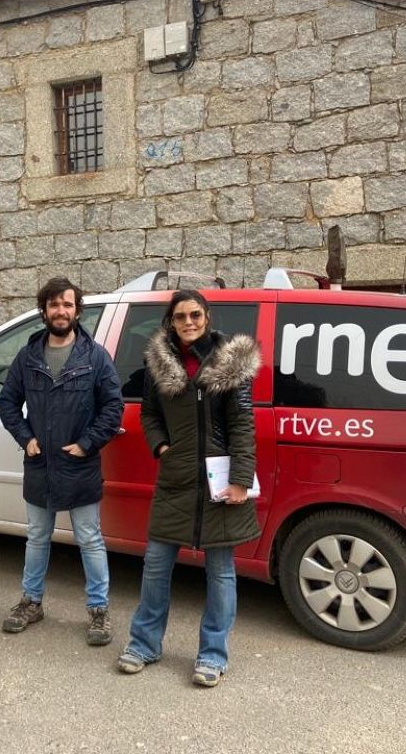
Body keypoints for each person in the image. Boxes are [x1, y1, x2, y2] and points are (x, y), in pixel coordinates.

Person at [117, 289, 261, 687]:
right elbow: (148, 414)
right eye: (180, 317)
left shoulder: (231, 364)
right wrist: (161, 446)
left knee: (220, 572)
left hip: (220, 483)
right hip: (176, 479)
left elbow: (243, 425)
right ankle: (144, 643)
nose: (188, 322)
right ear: (171, 321)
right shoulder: (158, 364)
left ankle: (213, 655)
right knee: (156, 566)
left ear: (207, 316)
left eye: (195, 314)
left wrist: (240, 481)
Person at [0, 277, 123, 645]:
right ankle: (31, 602)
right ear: (44, 311)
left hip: (79, 465)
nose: (61, 311)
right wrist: (26, 438)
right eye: (53, 305)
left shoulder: (95, 356)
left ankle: (99, 611)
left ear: (77, 309)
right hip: (40, 465)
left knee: (90, 539)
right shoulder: (28, 356)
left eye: (67, 304)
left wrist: (87, 444)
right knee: (37, 537)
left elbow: (112, 407)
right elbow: (7, 404)